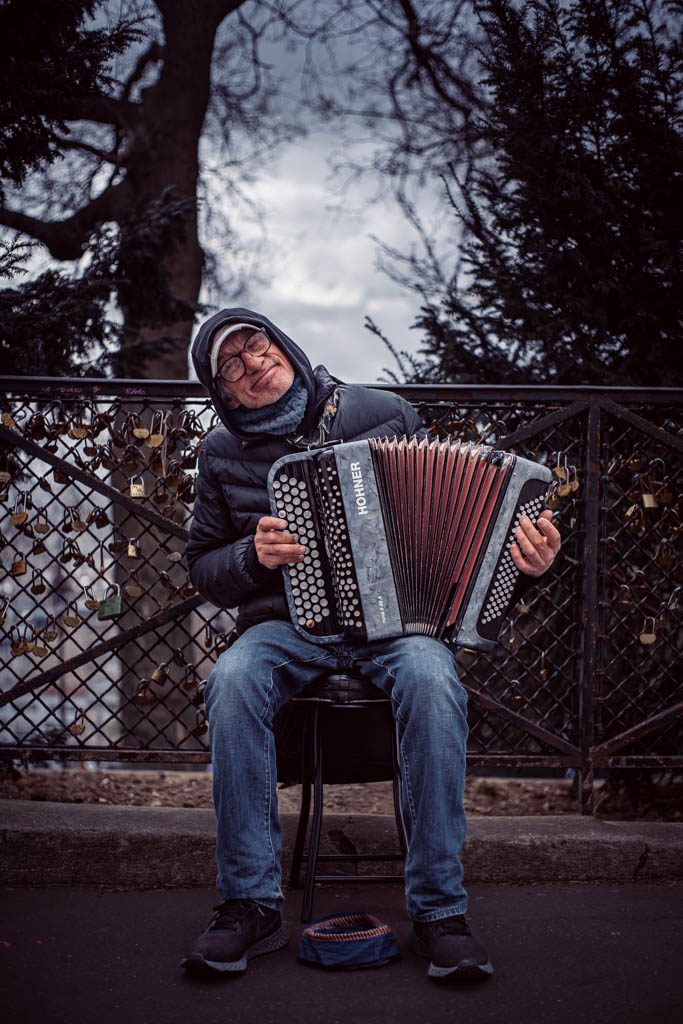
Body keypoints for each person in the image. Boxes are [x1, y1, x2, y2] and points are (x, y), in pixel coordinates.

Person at [182, 308, 561, 982]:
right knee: (232, 680)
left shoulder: (381, 410)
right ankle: (249, 905)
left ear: (283, 346)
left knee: (433, 679)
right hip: (286, 626)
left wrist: (526, 564)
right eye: (230, 366)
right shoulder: (220, 453)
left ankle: (440, 914)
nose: (251, 364)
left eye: (256, 345)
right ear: (225, 394)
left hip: (397, 627)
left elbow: (459, 538)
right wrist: (252, 555)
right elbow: (205, 566)